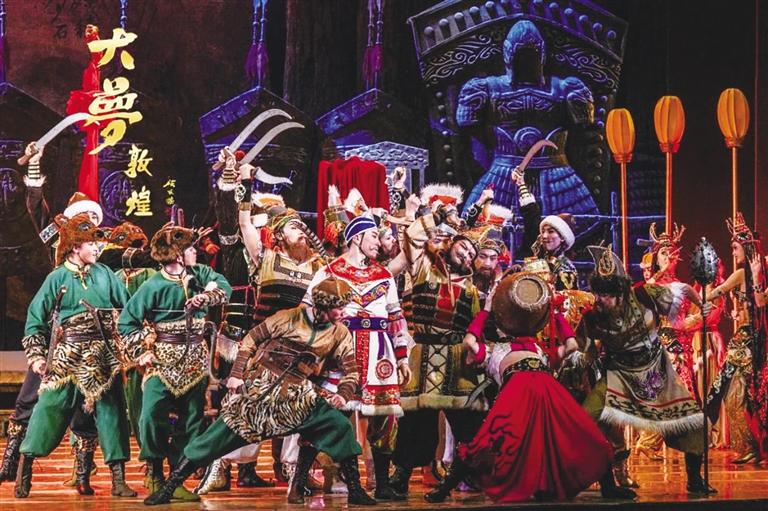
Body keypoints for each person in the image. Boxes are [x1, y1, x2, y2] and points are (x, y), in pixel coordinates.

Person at [142, 277, 376, 506]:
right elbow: (251, 340)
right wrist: (236, 374)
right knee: (214, 439)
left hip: (297, 396)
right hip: (261, 390)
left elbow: (351, 371)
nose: (343, 312)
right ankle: (170, 487)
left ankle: (355, 489)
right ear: (323, 306)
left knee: (338, 426)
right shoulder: (289, 317)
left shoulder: (339, 332)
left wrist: (343, 395)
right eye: (339, 308)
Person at [425, 272, 613, 503]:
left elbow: (572, 345)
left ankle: (609, 488)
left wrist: (553, 311)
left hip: (544, 392)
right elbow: (468, 342)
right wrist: (486, 309)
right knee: (486, 441)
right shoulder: (495, 349)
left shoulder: (539, 349)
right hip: (520, 393)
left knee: (581, 433)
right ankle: (444, 489)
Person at [14, 213, 135, 498]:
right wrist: (37, 357)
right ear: (75, 247)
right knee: (48, 412)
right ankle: (24, 467)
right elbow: (35, 319)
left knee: (113, 416)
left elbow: (128, 308)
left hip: (103, 356)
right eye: (91, 244)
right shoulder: (57, 278)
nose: (96, 248)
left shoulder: (105, 274)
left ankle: (118, 480)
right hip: (67, 356)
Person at [580, 245, 716, 495]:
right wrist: (575, 359)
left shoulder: (645, 295)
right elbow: (586, 352)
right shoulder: (592, 316)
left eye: (606, 294)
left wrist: (702, 305)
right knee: (588, 419)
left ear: (621, 292)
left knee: (694, 423)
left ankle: (695, 480)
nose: (600, 300)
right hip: (618, 375)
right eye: (597, 293)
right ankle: (608, 486)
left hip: (656, 373)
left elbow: (684, 289)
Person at [119, 224, 232, 502]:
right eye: (190, 248)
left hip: (195, 359)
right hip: (163, 359)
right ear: (178, 255)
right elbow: (126, 323)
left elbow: (224, 287)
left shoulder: (199, 274)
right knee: (151, 415)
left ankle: (177, 479)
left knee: (192, 421)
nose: (195, 252)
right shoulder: (153, 286)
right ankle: (154, 473)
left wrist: (206, 296)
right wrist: (141, 352)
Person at [303, 213, 411, 500]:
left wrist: (402, 356)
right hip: (341, 349)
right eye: (373, 236)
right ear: (356, 238)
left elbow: (395, 316)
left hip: (379, 351)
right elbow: (307, 311)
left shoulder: (383, 274)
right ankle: (326, 483)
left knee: (384, 417)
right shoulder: (328, 271)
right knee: (332, 415)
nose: (379, 242)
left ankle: (383, 484)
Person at [706, 212, 768, 463]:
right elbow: (714, 294)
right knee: (732, 395)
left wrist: (757, 277)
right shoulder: (740, 274)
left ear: (746, 247)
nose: (732, 253)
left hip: (756, 343)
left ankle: (754, 446)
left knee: (749, 397)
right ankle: (748, 446)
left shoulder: (753, 273)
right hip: (742, 342)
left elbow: (760, 302)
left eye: (735, 248)